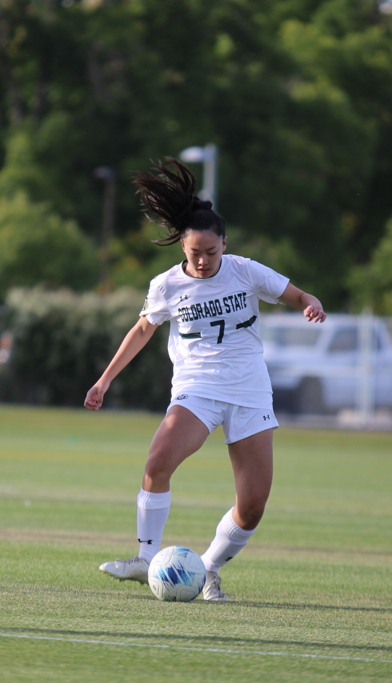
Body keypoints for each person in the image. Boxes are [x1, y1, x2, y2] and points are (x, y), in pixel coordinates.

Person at [84, 158, 326, 601]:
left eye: (211, 252)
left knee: (252, 507)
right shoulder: (166, 286)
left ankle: (207, 569)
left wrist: (310, 304)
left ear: (224, 245)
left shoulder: (245, 270)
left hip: (250, 391)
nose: (201, 261)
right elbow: (141, 331)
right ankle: (144, 557)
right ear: (182, 247)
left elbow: (297, 294)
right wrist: (104, 381)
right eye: (194, 253)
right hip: (197, 387)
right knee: (158, 463)